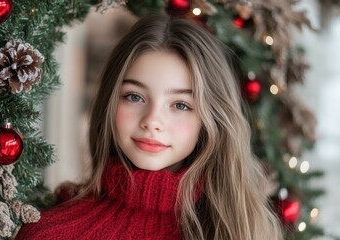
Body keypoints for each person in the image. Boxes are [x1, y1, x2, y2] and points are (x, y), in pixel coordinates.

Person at [15, 15, 282, 240]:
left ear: (210, 118)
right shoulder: (48, 233)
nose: (152, 121)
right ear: (110, 102)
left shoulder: (242, 228)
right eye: (134, 97)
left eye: (180, 105)